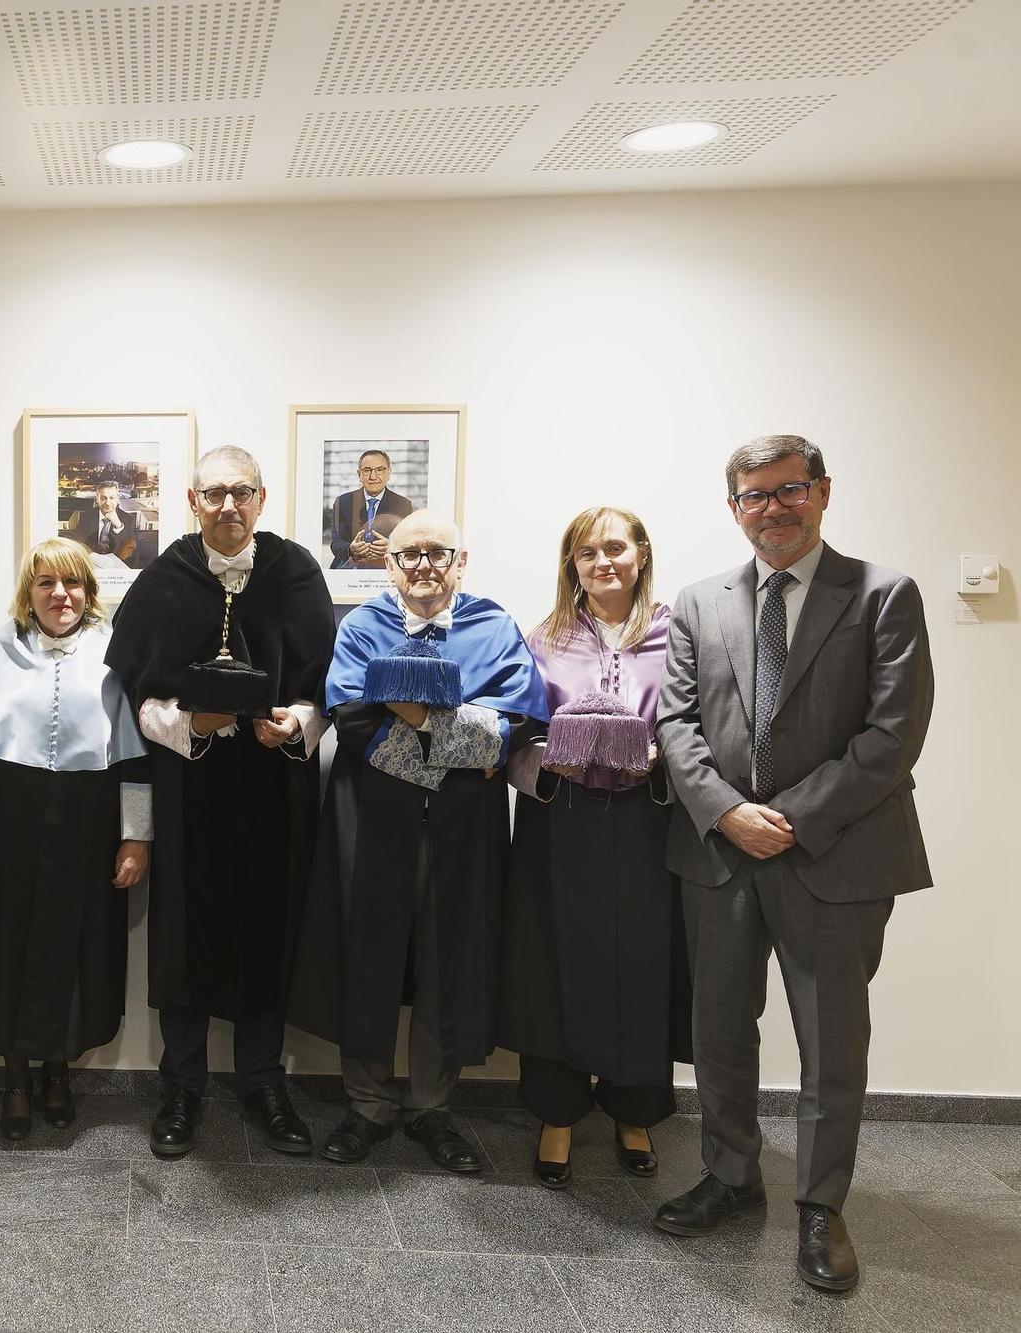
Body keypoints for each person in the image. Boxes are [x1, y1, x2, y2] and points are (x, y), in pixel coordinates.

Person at [653, 435, 933, 1292]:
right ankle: (732, 1175)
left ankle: (820, 1205)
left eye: (789, 490)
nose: (773, 508)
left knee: (831, 1040)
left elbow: (893, 735)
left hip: (838, 856)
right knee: (720, 1030)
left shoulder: (883, 595)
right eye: (754, 495)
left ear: (822, 492)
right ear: (732, 506)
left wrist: (791, 818)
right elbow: (676, 723)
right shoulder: (698, 602)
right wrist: (729, 812)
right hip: (721, 855)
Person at [288, 512, 545, 1171]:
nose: (424, 565)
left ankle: (434, 1107)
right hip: (372, 812)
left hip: (466, 823)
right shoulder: (360, 628)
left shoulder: (494, 625)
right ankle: (367, 1103)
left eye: (438, 552)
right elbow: (352, 718)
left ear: (463, 560)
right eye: (409, 555)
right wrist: (459, 737)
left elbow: (509, 731)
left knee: (448, 955)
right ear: (388, 564)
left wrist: (413, 711)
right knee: (366, 948)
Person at [104, 445, 334, 1160]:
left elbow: (326, 686)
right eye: (214, 494)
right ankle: (183, 1084)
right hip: (191, 791)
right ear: (192, 502)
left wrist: (296, 722)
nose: (228, 505)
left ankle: (264, 1081)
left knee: (269, 929)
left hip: (275, 788)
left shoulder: (296, 574)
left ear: (262, 498)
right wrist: (191, 726)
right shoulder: (165, 580)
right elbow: (137, 699)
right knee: (185, 936)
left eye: (241, 492)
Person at [499, 507, 689, 1190]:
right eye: (587, 552)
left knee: (642, 961)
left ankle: (633, 1108)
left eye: (615, 547)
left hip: (648, 818)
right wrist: (553, 762)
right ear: (570, 563)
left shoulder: (680, 633)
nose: (602, 561)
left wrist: (657, 758)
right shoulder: (542, 637)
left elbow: (701, 729)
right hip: (563, 818)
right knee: (554, 960)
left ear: (642, 552)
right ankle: (557, 1112)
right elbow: (513, 735)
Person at [0, 538, 151, 1139]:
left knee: (78, 941)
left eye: (72, 584)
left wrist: (136, 838)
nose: (59, 595)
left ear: (89, 592)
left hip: (88, 820)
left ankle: (58, 1070)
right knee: (6, 940)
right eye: (46, 584)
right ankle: (15, 1075)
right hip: (8, 819)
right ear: (28, 591)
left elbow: (133, 761)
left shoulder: (115, 658)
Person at [329, 450, 414, 570]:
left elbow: (409, 545)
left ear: (389, 473)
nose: (373, 477)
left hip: (385, 570)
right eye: (367, 470)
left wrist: (391, 547)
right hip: (350, 568)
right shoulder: (343, 502)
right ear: (359, 474)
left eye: (380, 470)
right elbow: (336, 543)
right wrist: (350, 549)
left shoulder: (404, 504)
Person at [65, 480, 155, 569]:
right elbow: (78, 542)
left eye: (111, 498)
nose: (107, 503)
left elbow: (131, 548)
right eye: (103, 498)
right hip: (92, 563)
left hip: (117, 564)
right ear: (97, 499)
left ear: (117, 499)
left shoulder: (128, 519)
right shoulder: (86, 516)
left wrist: (119, 525)